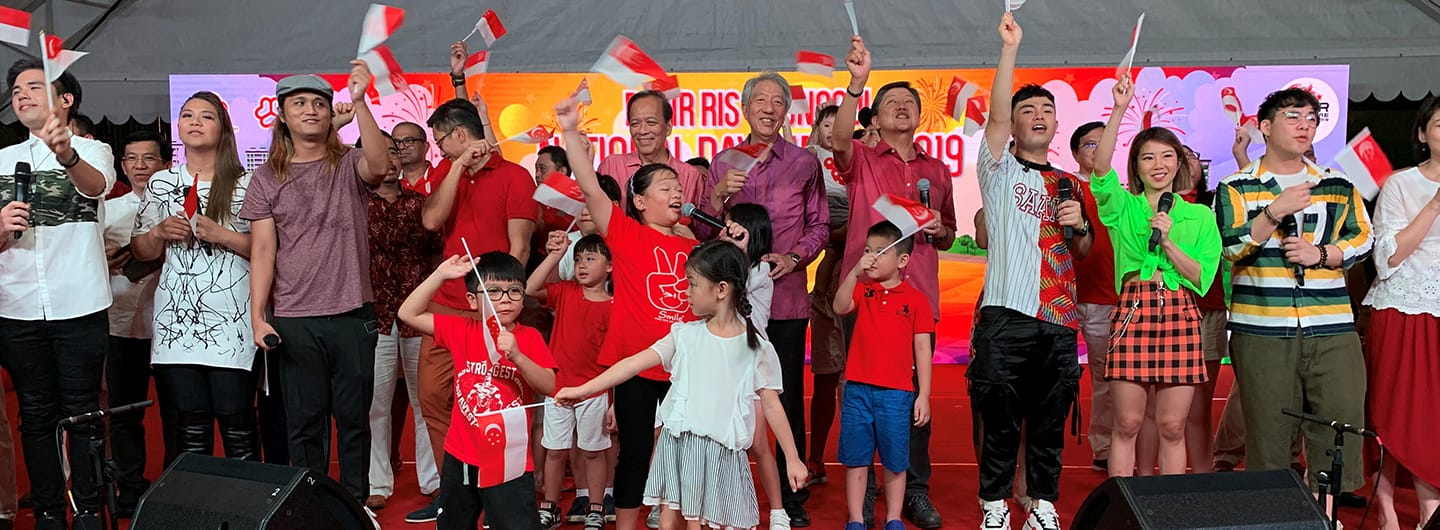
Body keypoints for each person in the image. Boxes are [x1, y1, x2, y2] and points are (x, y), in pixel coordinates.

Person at [556, 240, 808, 530]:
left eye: (692, 284)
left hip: (723, 453)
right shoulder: (684, 335)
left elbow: (773, 405)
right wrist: (582, 391)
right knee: (671, 518)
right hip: (678, 444)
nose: (684, 292)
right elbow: (631, 364)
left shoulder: (756, 348)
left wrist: (792, 458)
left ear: (721, 290)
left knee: (720, 522)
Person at [240, 63, 392, 503]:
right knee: (304, 424)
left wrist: (360, 101)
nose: (311, 110)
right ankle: (313, 508)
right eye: (299, 103)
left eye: (320, 104)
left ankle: (354, 506)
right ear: (282, 115)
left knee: (353, 421)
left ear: (331, 114)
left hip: (352, 316)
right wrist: (257, 318)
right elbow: (263, 250)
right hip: (294, 319)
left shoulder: (348, 163)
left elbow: (380, 165)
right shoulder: (266, 177)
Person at [1213, 87, 1372, 509]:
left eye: (1311, 118)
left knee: (1338, 424)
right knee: (1267, 434)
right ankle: (1274, 515)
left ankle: (1325, 514)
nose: (1305, 125)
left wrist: (1322, 254)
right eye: (1293, 117)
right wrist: (1274, 211)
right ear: (1265, 127)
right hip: (1262, 329)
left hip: (1333, 327)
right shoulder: (1236, 187)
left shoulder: (1335, 185)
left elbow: (1363, 237)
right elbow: (1232, 248)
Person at [558, 95, 711, 530]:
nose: (676, 193)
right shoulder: (624, 234)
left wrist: (734, 246)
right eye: (665, 188)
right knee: (636, 454)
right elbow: (590, 186)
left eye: (678, 189)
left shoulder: (696, 248)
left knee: (683, 453)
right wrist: (570, 131)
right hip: (635, 368)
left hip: (684, 368)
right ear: (640, 202)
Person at [969, 12, 1091, 529]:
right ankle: (994, 505)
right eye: (1028, 110)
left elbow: (1081, 251)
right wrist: (1009, 51)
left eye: (1047, 110)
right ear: (1015, 125)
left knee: (1048, 419)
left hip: (1060, 319)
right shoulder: (999, 168)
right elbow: (994, 118)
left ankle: (1042, 503)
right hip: (1007, 312)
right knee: (998, 418)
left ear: (1056, 124)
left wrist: (1080, 223)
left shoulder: (1069, 182)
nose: (1038, 116)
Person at [831, 36, 956, 530]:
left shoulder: (936, 169)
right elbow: (839, 140)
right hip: (862, 295)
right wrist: (856, 84)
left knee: (913, 396)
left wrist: (940, 229)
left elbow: (948, 233)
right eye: (891, 104)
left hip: (918, 294)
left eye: (910, 103)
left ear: (919, 116)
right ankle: (862, 494)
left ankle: (915, 492)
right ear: (876, 118)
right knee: (859, 390)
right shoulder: (862, 158)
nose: (902, 109)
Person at [703, 71, 828, 527]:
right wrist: (717, 197)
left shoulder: (804, 163)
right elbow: (703, 231)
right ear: (745, 108)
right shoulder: (723, 161)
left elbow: (819, 226)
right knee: (729, 396)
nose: (769, 108)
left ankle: (791, 497)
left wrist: (795, 258)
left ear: (787, 110)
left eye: (778, 101)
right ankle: (723, 490)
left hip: (788, 301)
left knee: (786, 397)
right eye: (761, 100)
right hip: (732, 306)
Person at [0, 58, 117, 530]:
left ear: (65, 100)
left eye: (34, 85)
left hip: (79, 301)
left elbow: (98, 187)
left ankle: (87, 510)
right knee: (34, 414)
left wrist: (67, 154)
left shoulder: (95, 150)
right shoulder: (2, 162)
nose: (21, 93)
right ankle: (48, 510)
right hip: (18, 305)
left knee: (83, 411)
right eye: (15, 89)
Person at [412, 96, 538, 523]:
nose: (439, 149)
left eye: (442, 141)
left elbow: (518, 247)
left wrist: (503, 306)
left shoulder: (516, 176)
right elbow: (432, 221)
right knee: (433, 397)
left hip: (492, 309)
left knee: (502, 398)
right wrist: (456, 167)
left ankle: (502, 480)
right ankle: (454, 484)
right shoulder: (447, 172)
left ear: (460, 134)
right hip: (447, 306)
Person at [1090, 75, 1221, 476]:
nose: (1158, 165)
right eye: (1148, 157)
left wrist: (1167, 243)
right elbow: (1099, 169)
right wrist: (1117, 109)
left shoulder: (1198, 215)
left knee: (1171, 425)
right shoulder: (1123, 207)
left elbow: (1201, 275)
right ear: (1136, 166)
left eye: (1167, 156)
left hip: (1180, 313)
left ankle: (1171, 512)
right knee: (1127, 424)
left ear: (1180, 163)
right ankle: (1123, 506)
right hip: (1133, 311)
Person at [135, 90, 261, 467]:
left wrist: (223, 235)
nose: (194, 121)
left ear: (223, 128)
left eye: (205, 116)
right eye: (187, 115)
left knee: (237, 421)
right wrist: (158, 233)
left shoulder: (249, 181)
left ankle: (249, 510)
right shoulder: (161, 183)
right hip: (176, 319)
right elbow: (140, 251)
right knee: (189, 426)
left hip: (233, 316)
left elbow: (272, 250)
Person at [398, 251, 557, 530]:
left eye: (514, 291)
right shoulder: (462, 329)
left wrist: (518, 357)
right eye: (493, 291)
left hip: (510, 458)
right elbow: (407, 313)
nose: (505, 298)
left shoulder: (529, 337)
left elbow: (550, 386)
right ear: (472, 300)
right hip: (461, 454)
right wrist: (440, 275)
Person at [1362, 95, 1440, 529]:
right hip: (1404, 310)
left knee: (1434, 415)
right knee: (1393, 411)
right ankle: (1390, 511)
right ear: (1422, 134)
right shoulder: (1399, 184)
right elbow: (1388, 259)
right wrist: (1433, 205)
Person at [832, 221, 934, 530]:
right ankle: (855, 520)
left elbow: (922, 350)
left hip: (897, 394)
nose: (871, 257)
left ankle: (892, 518)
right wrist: (852, 272)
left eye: (880, 251)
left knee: (895, 460)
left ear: (902, 261)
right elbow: (839, 305)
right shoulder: (863, 291)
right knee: (856, 458)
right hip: (857, 392)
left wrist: (924, 395)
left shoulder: (917, 300)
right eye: (867, 250)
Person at [364, 136, 443, 510]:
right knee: (377, 404)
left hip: (418, 314)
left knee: (424, 399)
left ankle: (432, 479)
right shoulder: (357, 204)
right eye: (383, 153)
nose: (391, 160)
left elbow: (436, 256)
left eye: (395, 152)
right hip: (373, 315)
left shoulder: (421, 205)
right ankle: (378, 481)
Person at [527, 232, 614, 530]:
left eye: (590, 258)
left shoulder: (615, 306)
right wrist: (554, 255)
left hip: (595, 391)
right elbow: (530, 287)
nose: (582, 265)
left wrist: (612, 401)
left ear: (610, 266)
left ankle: (596, 507)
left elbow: (616, 359)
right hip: (559, 388)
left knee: (593, 451)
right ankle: (550, 507)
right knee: (554, 450)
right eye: (577, 259)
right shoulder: (566, 291)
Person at [104, 130, 170, 515]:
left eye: (149, 159)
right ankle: (130, 487)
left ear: (165, 163)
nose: (140, 166)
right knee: (125, 413)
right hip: (122, 324)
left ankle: (176, 487)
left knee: (177, 413)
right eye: (132, 159)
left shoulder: (181, 205)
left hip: (174, 325)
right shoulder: (108, 211)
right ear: (122, 165)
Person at [1065, 121, 1120, 473]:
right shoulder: (1062, 187)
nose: (1098, 151)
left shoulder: (1119, 191)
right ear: (1075, 153)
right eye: (1089, 145)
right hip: (1062, 297)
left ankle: (1105, 448)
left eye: (1104, 144)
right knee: (1056, 379)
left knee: (1106, 377)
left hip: (1105, 298)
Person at [805, 104, 848, 487]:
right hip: (826, 286)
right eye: (827, 124)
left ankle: (859, 467)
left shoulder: (858, 159)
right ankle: (814, 457)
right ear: (817, 129)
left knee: (859, 384)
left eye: (840, 124)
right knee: (824, 379)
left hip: (856, 279)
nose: (833, 130)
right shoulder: (809, 160)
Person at [597, 90, 706, 207]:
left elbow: (698, 224)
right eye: (635, 124)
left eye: (651, 122)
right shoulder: (612, 166)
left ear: (668, 127)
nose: (642, 131)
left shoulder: (690, 176)